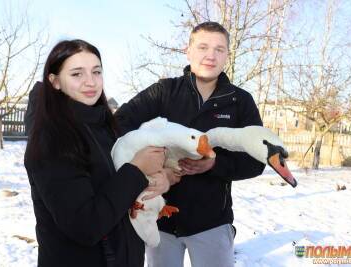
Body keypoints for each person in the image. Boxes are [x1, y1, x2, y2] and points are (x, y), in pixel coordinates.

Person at [114, 22, 266, 267]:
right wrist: (153, 166)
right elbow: (119, 125)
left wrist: (215, 165)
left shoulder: (240, 101)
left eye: (219, 49)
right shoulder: (164, 91)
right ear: (189, 51)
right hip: (160, 222)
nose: (211, 55)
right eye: (203, 46)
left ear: (228, 54)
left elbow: (257, 161)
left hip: (212, 225)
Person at [24, 39, 170, 267]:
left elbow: (113, 187)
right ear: (55, 82)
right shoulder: (52, 139)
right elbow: (85, 225)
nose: (90, 82)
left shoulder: (105, 126)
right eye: (76, 74)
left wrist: (154, 180)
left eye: (96, 71)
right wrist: (137, 170)